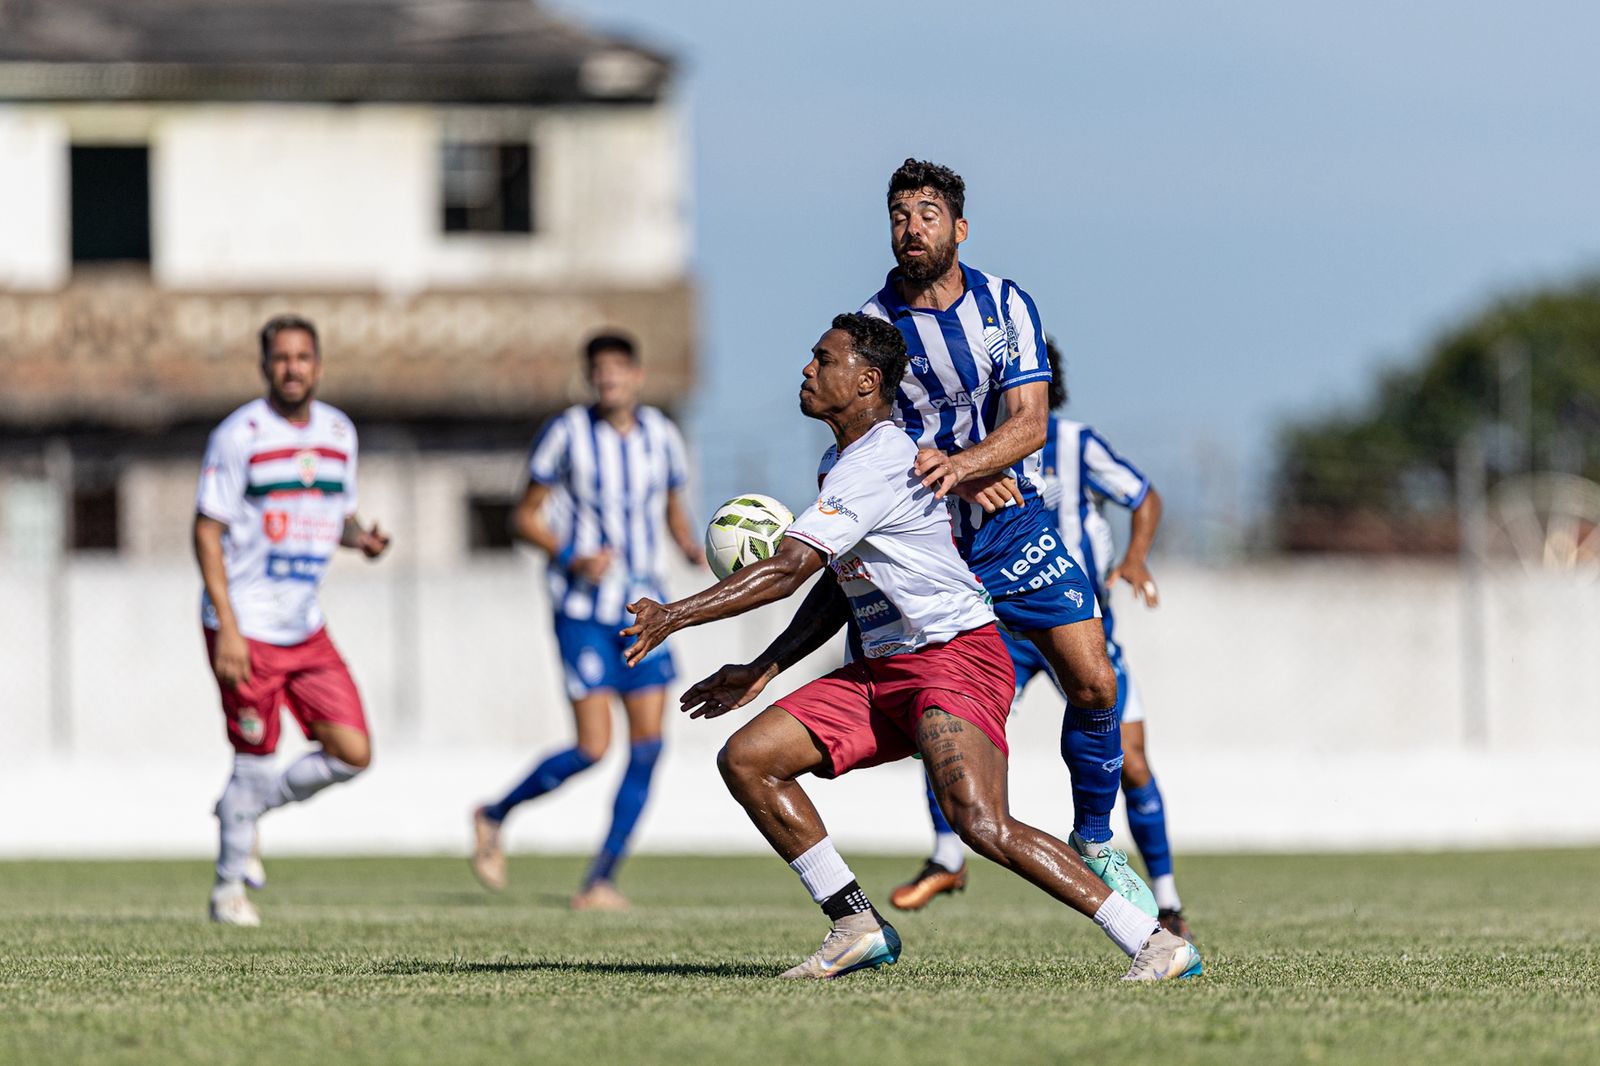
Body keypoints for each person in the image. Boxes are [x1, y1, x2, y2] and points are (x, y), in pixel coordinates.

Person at [623, 313, 1200, 982]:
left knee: (980, 824)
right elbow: (838, 587)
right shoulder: (838, 465)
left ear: (867, 380)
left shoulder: (881, 461)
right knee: (750, 759)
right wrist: (763, 666)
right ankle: (855, 923)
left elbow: (786, 571)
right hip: (884, 669)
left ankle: (1155, 942)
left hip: (956, 659)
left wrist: (673, 614)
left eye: (822, 358)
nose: (807, 370)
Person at [860, 159, 1152, 913]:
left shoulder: (1004, 305)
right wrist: (941, 471)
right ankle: (951, 849)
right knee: (944, 721)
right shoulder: (871, 325)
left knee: (1096, 682)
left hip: (1010, 526)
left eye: (926, 213)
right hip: (929, 547)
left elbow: (1030, 423)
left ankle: (1093, 837)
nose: (910, 227)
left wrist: (963, 463)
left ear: (959, 228)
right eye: (898, 214)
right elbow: (866, 437)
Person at [892, 338, 1194, 940]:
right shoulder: (958, 449)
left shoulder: (1077, 443)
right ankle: (948, 856)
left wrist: (1135, 558)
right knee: (952, 727)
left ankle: (1167, 903)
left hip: (1073, 618)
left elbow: (1144, 496)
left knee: (1130, 760)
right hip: (1001, 626)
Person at [471, 331, 702, 910]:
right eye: (599, 370)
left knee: (648, 748)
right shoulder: (566, 434)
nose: (609, 379)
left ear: (637, 376)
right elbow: (523, 517)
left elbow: (675, 509)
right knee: (594, 747)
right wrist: (570, 553)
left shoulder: (662, 437)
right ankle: (493, 814)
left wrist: (695, 547)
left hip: (646, 611)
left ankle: (600, 880)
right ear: (590, 378)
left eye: (619, 369)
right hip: (581, 609)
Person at [195, 313, 390, 926]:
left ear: (318, 365)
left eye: (303, 357)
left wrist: (363, 539)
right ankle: (228, 890)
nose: (293, 367)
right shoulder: (239, 434)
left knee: (352, 752)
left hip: (304, 624)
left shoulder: (338, 432)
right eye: (281, 358)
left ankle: (246, 811)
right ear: (265, 367)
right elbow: (206, 529)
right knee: (254, 754)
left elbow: (338, 514)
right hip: (246, 624)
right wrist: (226, 622)